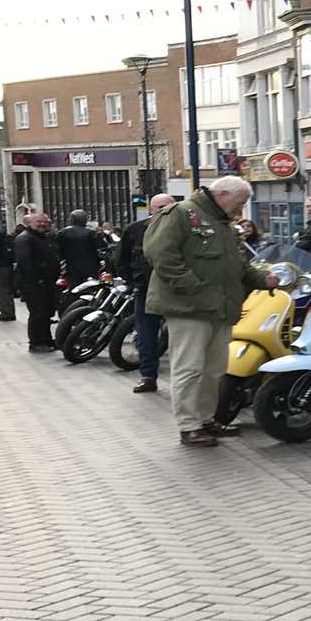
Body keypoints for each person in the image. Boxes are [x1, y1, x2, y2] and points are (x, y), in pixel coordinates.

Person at [144, 177, 279, 447]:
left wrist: (263, 279)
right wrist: (192, 286)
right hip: (189, 307)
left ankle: (205, 420)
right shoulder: (181, 213)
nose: (240, 210)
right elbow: (160, 254)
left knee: (214, 369)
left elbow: (238, 264)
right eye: (239, 203)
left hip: (220, 308)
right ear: (223, 194)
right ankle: (188, 426)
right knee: (189, 368)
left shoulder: (223, 224)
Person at [120, 194, 177, 393]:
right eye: (159, 207)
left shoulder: (185, 230)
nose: (163, 210)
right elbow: (122, 259)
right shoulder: (135, 230)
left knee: (181, 336)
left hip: (177, 292)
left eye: (168, 207)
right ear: (150, 209)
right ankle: (148, 377)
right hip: (146, 291)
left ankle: (180, 381)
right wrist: (133, 281)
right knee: (146, 336)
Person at [13, 210, 61, 352]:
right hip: (35, 283)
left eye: (45, 222)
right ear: (29, 223)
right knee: (38, 312)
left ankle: (46, 340)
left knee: (46, 312)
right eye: (38, 222)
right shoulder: (25, 238)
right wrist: (36, 279)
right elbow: (24, 262)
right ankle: (36, 343)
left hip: (47, 282)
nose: (42, 224)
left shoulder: (42, 237)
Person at [55, 209, 106, 288]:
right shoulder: (92, 233)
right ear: (85, 220)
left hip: (71, 268)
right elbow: (101, 250)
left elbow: (58, 251)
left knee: (73, 288)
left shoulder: (62, 233)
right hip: (91, 268)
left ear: (71, 220)